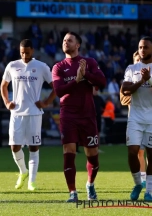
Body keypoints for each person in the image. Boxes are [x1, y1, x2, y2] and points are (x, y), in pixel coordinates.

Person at [52, 32, 106, 202]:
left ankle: (90, 184)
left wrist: (86, 75)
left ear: (78, 45)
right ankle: (72, 192)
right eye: (64, 41)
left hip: (87, 114)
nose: (66, 43)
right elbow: (59, 91)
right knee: (69, 151)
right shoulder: (58, 67)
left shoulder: (89, 63)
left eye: (70, 40)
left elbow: (102, 82)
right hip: (68, 114)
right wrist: (76, 80)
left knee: (93, 154)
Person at [0, 39, 56, 191]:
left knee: (34, 147)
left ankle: (32, 181)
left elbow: (55, 87)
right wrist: (6, 101)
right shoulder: (12, 66)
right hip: (16, 112)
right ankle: (23, 171)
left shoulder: (41, 66)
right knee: (14, 146)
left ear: (33, 50)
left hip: (34, 113)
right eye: (22, 53)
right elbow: (3, 85)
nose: (24, 55)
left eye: (27, 52)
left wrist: (46, 102)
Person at [121, 37, 152, 201]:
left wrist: (149, 80)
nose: (142, 50)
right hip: (135, 117)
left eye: (146, 47)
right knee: (132, 152)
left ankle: (149, 191)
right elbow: (125, 89)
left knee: (151, 155)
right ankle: (138, 184)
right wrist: (142, 80)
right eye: (140, 47)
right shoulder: (132, 68)